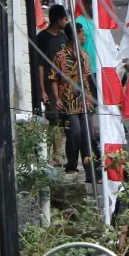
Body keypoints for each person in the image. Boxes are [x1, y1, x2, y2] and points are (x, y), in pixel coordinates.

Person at [53, 24, 95, 173]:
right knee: (74, 133)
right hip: (68, 101)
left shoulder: (85, 56)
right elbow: (54, 78)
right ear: (74, 36)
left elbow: (88, 78)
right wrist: (56, 98)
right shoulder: (60, 56)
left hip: (85, 101)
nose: (84, 37)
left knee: (88, 134)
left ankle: (90, 171)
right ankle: (71, 164)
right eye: (82, 34)